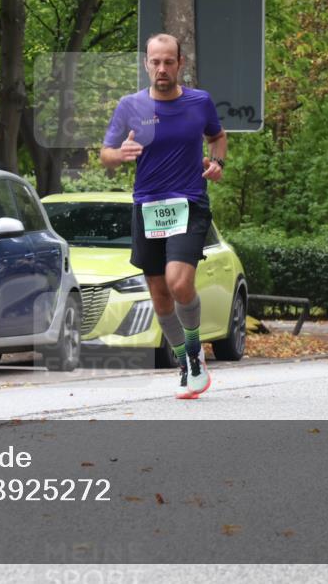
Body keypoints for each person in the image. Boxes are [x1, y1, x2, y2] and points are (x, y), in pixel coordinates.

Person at [100, 33, 227, 398]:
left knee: (179, 282)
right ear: (146, 64)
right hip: (148, 206)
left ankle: (193, 347)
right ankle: (186, 361)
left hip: (189, 203)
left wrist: (217, 163)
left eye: (168, 61)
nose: (162, 68)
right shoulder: (130, 106)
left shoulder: (199, 102)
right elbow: (105, 153)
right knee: (159, 296)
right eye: (155, 62)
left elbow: (218, 137)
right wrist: (119, 153)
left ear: (180, 64)